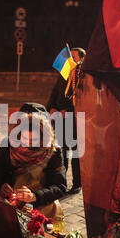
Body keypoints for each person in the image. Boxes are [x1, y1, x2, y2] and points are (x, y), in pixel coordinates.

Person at [0, 103, 67, 218]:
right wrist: (0, 186)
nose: (28, 144)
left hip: (40, 204)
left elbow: (60, 186)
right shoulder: (7, 146)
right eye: (24, 138)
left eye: (34, 140)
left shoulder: (53, 150)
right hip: (11, 201)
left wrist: (35, 196)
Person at [47, 47, 86, 195]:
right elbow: (55, 93)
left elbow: (82, 100)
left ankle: (77, 183)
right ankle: (61, 182)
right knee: (62, 152)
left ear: (81, 59)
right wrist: (51, 108)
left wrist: (68, 112)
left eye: (73, 57)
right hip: (60, 119)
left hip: (75, 119)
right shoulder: (64, 74)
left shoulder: (82, 76)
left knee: (75, 153)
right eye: (69, 57)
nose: (70, 60)